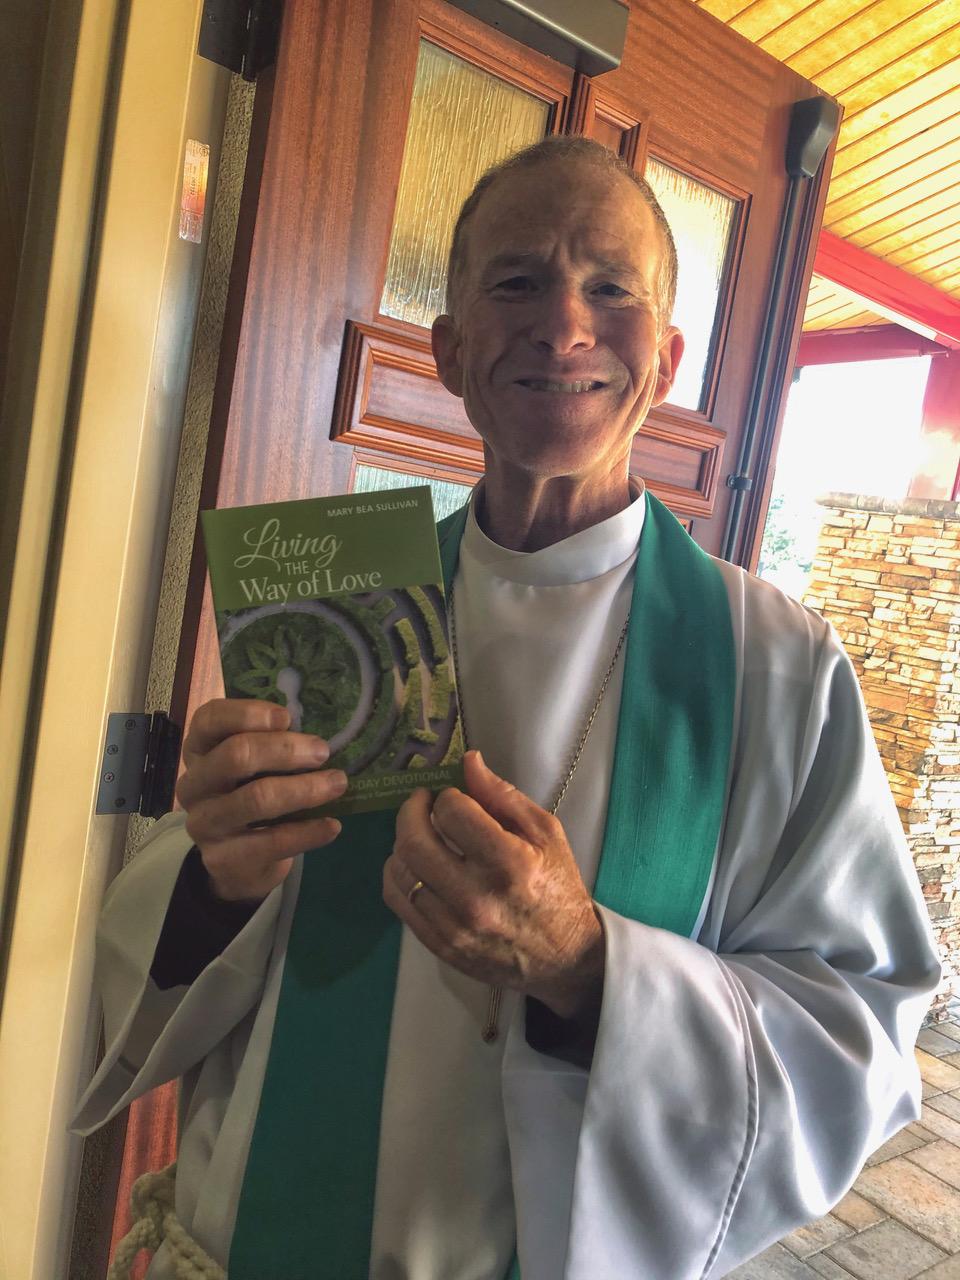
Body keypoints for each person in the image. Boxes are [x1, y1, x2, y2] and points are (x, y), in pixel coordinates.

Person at [74, 137, 940, 1280]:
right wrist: (219, 872)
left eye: (611, 288)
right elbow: (171, 934)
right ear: (450, 348)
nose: (565, 326)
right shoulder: (349, 611)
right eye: (518, 280)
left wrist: (590, 967)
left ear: (667, 358)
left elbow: (860, 1039)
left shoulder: (776, 664)